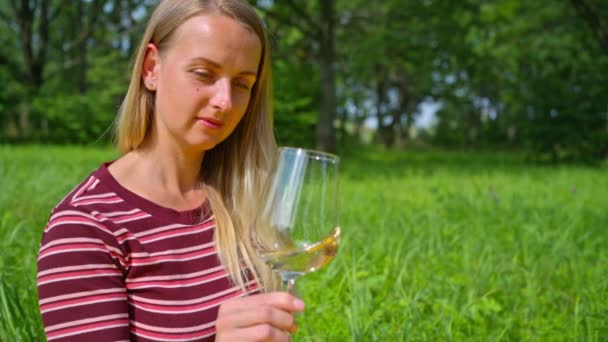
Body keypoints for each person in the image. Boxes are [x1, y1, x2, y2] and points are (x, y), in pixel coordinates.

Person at [36, 0, 305, 340]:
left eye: (242, 84)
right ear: (152, 68)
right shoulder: (86, 226)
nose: (224, 100)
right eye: (204, 73)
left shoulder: (248, 202)